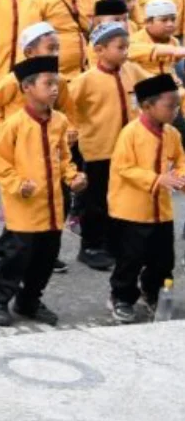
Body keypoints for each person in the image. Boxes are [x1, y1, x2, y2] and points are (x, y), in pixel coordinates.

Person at [0, 54, 83, 327]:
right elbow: (1, 163)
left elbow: (64, 157)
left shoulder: (60, 121)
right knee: (17, 257)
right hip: (24, 206)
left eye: (56, 83)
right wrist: (18, 184)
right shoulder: (14, 124)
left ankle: (29, 301)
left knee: (46, 259)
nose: (54, 89)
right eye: (48, 83)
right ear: (27, 87)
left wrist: (72, 177)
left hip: (52, 205)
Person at [106, 72, 182, 323]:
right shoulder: (130, 133)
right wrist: (157, 179)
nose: (175, 111)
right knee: (130, 259)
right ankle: (122, 297)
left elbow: (180, 161)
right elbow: (124, 168)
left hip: (161, 212)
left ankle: (152, 292)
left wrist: (180, 177)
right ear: (148, 106)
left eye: (177, 105)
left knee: (163, 259)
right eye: (170, 106)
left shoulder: (172, 134)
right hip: (131, 211)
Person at [64, 22, 140, 274]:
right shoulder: (85, 81)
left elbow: (154, 88)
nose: (126, 52)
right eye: (120, 47)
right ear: (99, 50)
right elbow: (66, 106)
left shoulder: (132, 70)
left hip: (129, 151)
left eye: (127, 47)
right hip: (99, 151)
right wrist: (71, 129)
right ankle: (91, 247)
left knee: (122, 199)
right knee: (96, 202)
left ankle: (113, 244)